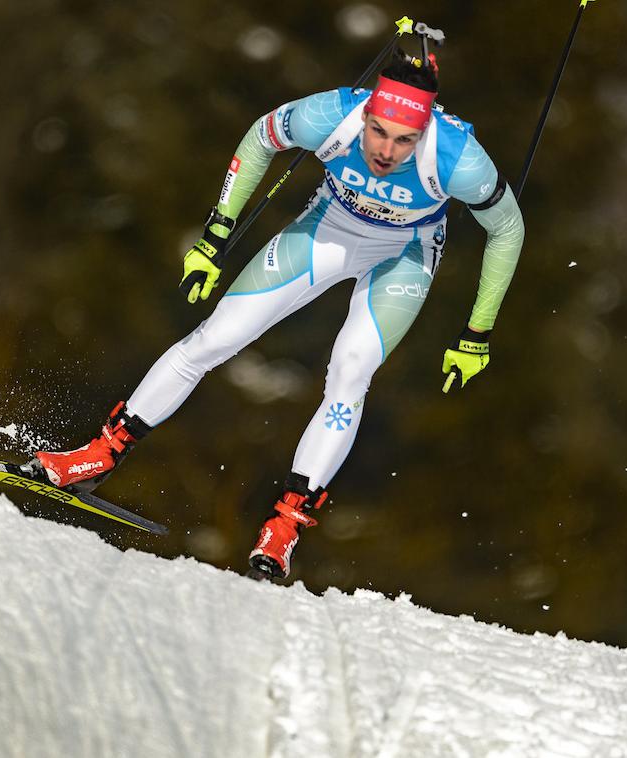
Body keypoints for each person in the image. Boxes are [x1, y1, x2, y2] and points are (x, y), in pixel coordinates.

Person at [29, 49, 525, 581]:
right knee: (214, 339)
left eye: (404, 140)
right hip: (329, 228)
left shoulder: (459, 158)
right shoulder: (330, 114)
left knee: (351, 370)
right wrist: (216, 235)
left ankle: (285, 525)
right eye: (378, 132)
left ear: (424, 130)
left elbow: (508, 229)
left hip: (404, 252)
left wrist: (477, 332)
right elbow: (260, 137)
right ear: (367, 114)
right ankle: (101, 455)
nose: (386, 151)